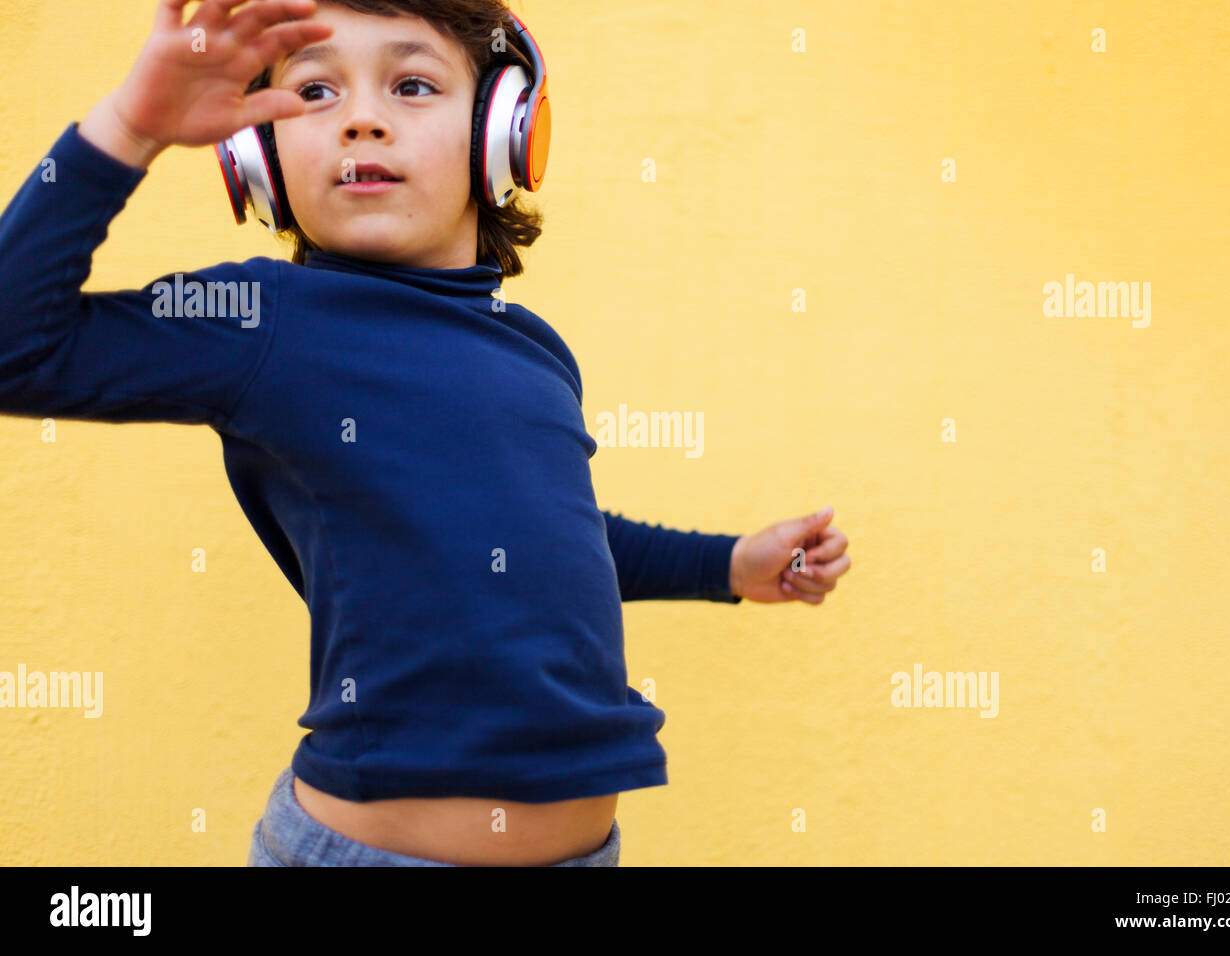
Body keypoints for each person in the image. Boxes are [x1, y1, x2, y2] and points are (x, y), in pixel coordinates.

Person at [0, 0, 851, 866]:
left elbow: (543, 542)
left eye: (411, 84)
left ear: (504, 131)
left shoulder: (535, 351)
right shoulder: (262, 321)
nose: (362, 118)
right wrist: (131, 127)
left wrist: (728, 566)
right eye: (315, 92)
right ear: (256, 157)